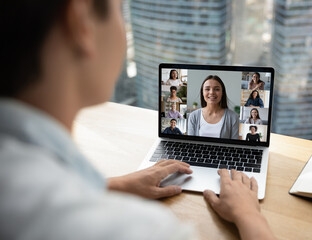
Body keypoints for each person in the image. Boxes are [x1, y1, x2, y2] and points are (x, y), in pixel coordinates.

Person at [0, 1, 276, 240]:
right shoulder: (143, 230)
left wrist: (114, 185)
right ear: (80, 20)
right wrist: (249, 215)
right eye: (119, 9)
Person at [187, 75, 239, 140]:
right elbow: (191, 143)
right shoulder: (193, 116)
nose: (211, 92)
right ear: (202, 92)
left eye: (217, 89)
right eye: (207, 89)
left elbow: (234, 145)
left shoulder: (233, 117)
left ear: (222, 92)